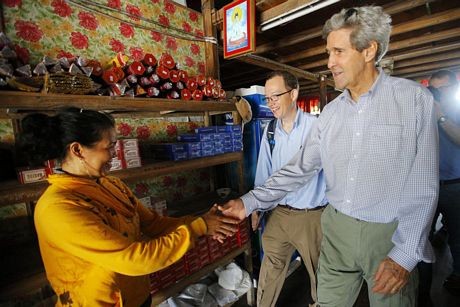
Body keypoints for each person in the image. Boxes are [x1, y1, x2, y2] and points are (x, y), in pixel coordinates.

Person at [219, 5, 438, 307]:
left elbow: (423, 185)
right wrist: (249, 202)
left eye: (338, 51)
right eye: (328, 52)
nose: (329, 62)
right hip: (335, 228)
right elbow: (298, 169)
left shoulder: (413, 101)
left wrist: (404, 254)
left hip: (388, 233)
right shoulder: (330, 114)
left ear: (369, 50)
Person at [18, 107, 239, 307]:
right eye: (110, 146)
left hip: (137, 296)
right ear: (77, 150)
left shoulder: (111, 184)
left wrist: (204, 221)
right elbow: (133, 258)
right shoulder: (59, 207)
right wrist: (198, 228)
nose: (115, 154)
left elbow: (153, 223)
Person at [250, 70, 327, 307]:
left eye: (276, 96)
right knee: (270, 268)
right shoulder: (270, 131)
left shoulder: (317, 127)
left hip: (311, 217)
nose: (271, 103)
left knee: (320, 272)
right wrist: (256, 207)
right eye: (267, 98)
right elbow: (264, 172)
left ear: (293, 94)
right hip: (279, 214)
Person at [428, 70, 460, 295]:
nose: (436, 94)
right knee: (420, 237)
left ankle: (457, 276)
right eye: (433, 90)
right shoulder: (425, 111)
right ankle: (419, 286)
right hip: (426, 186)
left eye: (442, 90)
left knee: (458, 237)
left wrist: (441, 116)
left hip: (454, 185)